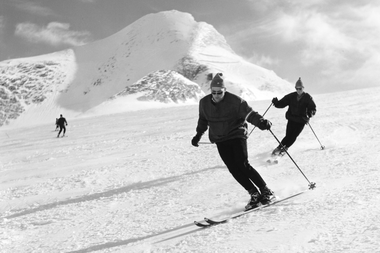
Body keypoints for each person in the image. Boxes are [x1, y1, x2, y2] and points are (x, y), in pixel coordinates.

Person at [191, 73, 275, 210]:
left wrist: (261, 122)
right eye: (214, 92)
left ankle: (266, 191)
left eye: (220, 92)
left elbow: (249, 114)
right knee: (233, 168)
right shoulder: (204, 103)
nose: (217, 95)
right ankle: (254, 194)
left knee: (242, 164)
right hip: (219, 139)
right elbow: (203, 120)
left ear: (225, 90)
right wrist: (198, 135)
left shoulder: (235, 101)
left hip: (236, 134)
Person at [271, 77, 316, 156]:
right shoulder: (291, 96)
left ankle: (285, 149)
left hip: (301, 120)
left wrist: (309, 114)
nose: (298, 90)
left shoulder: (307, 97)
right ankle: (279, 148)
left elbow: (312, 108)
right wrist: (276, 103)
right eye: (297, 88)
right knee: (288, 135)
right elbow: (282, 103)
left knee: (294, 136)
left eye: (300, 88)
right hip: (291, 119)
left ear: (303, 88)